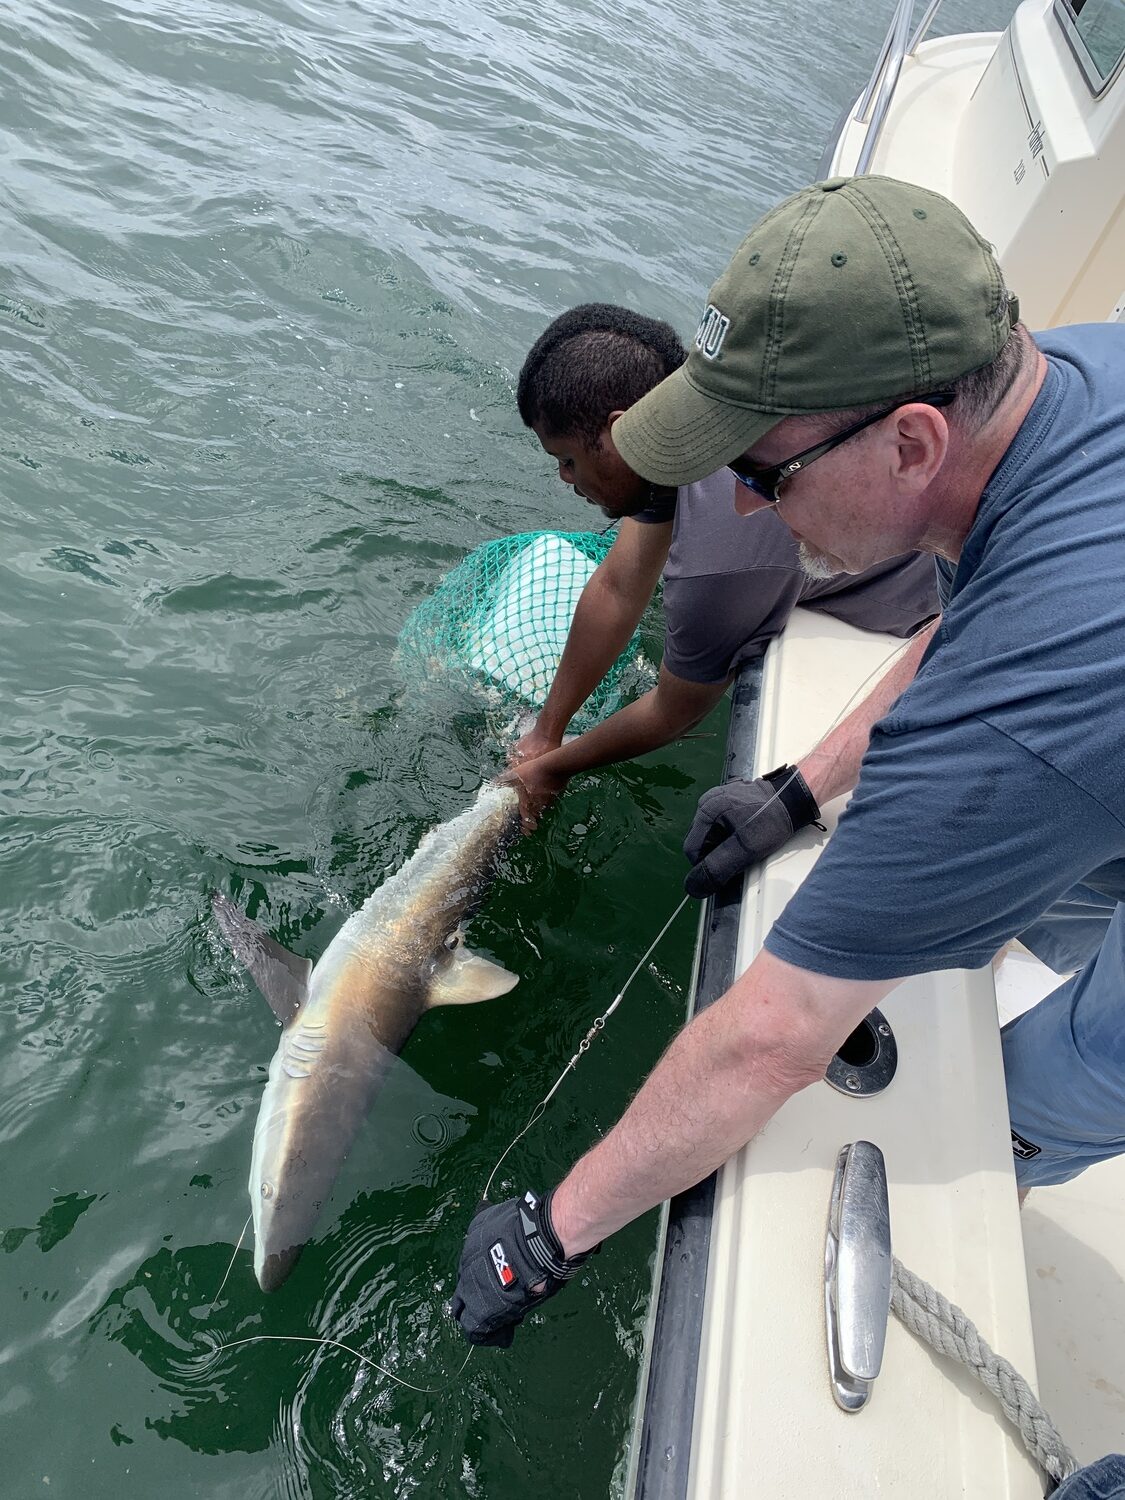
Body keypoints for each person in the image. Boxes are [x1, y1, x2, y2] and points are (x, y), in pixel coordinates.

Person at [450, 174, 1125, 1349]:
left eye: (760, 476)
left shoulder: (1022, 712)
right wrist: (801, 783)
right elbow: (959, 620)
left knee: (1012, 1091)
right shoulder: (1065, 382)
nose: (747, 511)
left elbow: (775, 1034)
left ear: (913, 442)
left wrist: (549, 1232)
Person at [505, 304, 937, 839]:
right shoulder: (686, 425)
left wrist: (551, 769)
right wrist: (548, 731)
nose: (563, 477)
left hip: (926, 595)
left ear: (621, 435)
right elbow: (618, 586)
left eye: (568, 459)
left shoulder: (716, 565)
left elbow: (675, 709)